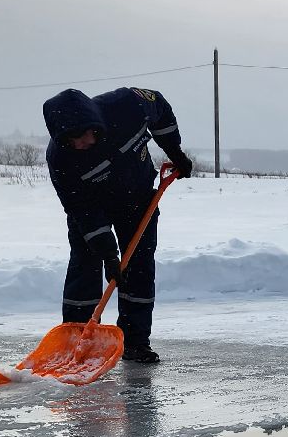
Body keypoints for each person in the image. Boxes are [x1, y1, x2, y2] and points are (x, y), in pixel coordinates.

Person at [41, 87, 194, 364]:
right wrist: (108, 253)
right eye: (69, 140)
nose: (78, 145)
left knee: (139, 266)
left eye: (80, 136)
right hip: (92, 208)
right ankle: (76, 343)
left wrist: (174, 150)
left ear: (91, 123)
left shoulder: (127, 105)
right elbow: (81, 209)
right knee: (85, 265)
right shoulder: (60, 158)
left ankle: (135, 342)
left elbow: (159, 105)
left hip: (137, 199)